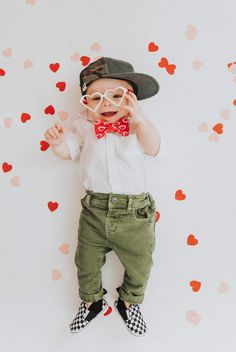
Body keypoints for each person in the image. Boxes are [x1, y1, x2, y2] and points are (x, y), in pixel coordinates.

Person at [44, 56, 161, 337]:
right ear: (85, 103)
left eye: (116, 96)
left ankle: (130, 301)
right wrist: (58, 143)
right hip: (94, 210)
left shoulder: (138, 126)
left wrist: (141, 119)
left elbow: (153, 148)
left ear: (131, 99)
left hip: (135, 213)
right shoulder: (84, 125)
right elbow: (69, 152)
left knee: (140, 262)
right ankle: (91, 300)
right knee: (85, 261)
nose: (105, 103)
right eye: (95, 98)